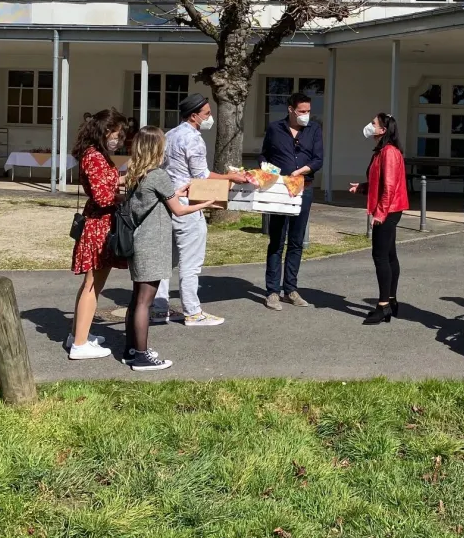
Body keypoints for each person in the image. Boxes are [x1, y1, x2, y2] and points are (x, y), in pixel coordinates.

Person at [123, 126, 219, 371]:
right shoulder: (158, 174)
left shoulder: (136, 173)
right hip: (152, 244)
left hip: (139, 241)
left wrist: (177, 192)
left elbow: (157, 199)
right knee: (145, 301)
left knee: (137, 299)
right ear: (157, 148)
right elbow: (179, 209)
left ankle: (132, 349)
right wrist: (206, 203)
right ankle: (142, 356)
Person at [151, 93, 249, 327]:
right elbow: (201, 175)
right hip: (188, 204)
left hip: (168, 202)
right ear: (194, 116)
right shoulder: (193, 139)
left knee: (167, 260)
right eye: (206, 113)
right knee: (191, 262)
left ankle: (158, 309)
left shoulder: (170, 134)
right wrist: (230, 177)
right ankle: (193, 311)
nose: (210, 117)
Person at [67, 107, 129, 361]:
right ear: (105, 132)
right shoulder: (93, 157)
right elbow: (103, 196)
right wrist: (123, 193)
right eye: (117, 133)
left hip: (101, 223)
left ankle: (77, 334)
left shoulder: (97, 155)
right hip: (98, 226)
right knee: (92, 285)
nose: (120, 138)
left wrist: (126, 178)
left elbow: (107, 184)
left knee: (92, 285)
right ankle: (80, 344)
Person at [260, 91, 323, 310]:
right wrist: (267, 171)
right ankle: (272, 291)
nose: (306, 115)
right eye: (302, 111)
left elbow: (318, 159)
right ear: (290, 110)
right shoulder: (275, 129)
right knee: (277, 240)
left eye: (308, 111)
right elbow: (264, 156)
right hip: (279, 190)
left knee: (296, 241)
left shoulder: (314, 129)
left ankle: (291, 289)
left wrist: (301, 171)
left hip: (303, 188)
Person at [349, 113, 409, 325]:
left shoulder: (389, 152)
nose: (370, 125)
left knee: (380, 256)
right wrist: (362, 188)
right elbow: (380, 182)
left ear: (383, 130)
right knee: (389, 254)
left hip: (389, 210)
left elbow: (390, 187)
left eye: (373, 123)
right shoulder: (382, 151)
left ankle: (383, 305)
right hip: (390, 208)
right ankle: (391, 301)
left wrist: (381, 214)